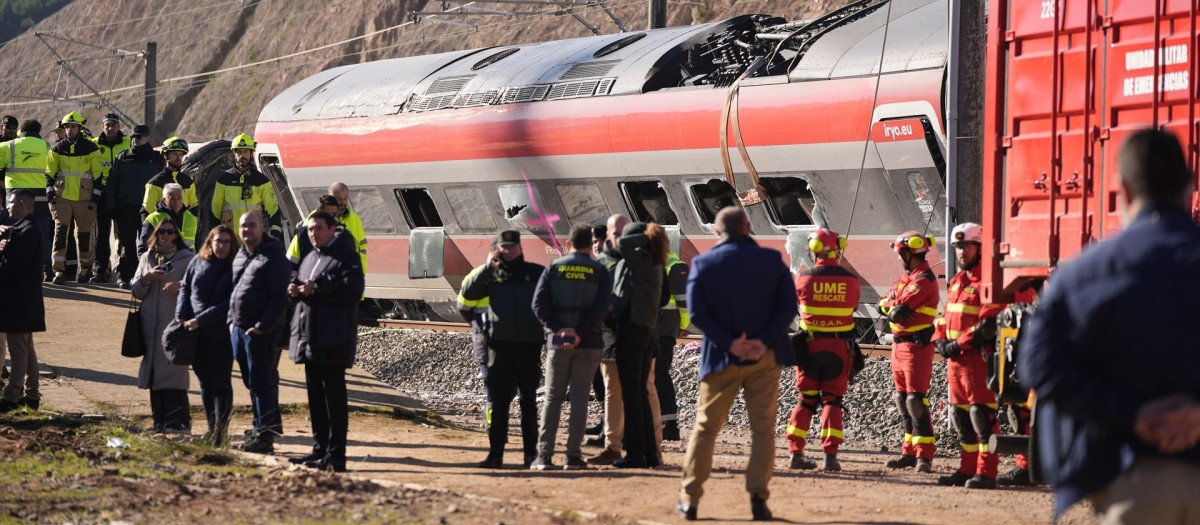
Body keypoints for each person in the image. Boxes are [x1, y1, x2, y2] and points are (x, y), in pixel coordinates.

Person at [1021, 129, 1200, 523]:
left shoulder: (1082, 274)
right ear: (1189, 186)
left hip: (1132, 481)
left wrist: (1134, 414)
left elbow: (1039, 367)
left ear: (1123, 189)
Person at [677, 207, 796, 521]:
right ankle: (758, 499)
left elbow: (698, 314)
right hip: (765, 357)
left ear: (717, 232)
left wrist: (731, 343)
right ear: (748, 227)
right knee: (763, 430)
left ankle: (690, 500)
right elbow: (788, 308)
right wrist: (761, 341)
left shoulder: (703, 264)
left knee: (706, 429)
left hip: (721, 357)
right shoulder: (771, 261)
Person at [458, 230, 546, 468]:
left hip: (529, 346)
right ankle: (495, 455)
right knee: (499, 403)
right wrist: (488, 268)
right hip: (498, 347)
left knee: (528, 402)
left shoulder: (535, 273)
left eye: (512, 247)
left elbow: (550, 303)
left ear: (520, 247)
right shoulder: (490, 275)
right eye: (503, 247)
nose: (508, 251)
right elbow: (468, 296)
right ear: (497, 250)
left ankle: (531, 454)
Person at [287, 211, 364, 473]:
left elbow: (353, 292)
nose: (313, 233)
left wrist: (316, 288)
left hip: (333, 339)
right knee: (316, 400)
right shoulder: (310, 257)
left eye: (319, 228)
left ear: (332, 229)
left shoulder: (346, 256)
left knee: (334, 400)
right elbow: (306, 289)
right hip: (310, 338)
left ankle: (336, 456)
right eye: (310, 229)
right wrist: (295, 290)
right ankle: (320, 450)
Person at [530, 224, 612, 470]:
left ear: (568, 243)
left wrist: (559, 330)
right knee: (579, 399)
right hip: (589, 343)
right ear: (590, 244)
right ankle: (573, 457)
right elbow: (602, 308)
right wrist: (580, 332)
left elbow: (538, 305)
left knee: (552, 398)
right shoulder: (599, 270)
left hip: (557, 343)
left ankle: (544, 456)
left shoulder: (554, 268)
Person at [932, 222, 1004, 489]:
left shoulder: (988, 281)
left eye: (968, 246)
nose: (962, 251)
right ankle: (967, 469)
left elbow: (987, 325)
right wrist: (940, 339)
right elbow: (945, 317)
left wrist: (957, 344)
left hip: (977, 360)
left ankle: (986, 472)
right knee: (962, 418)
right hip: (956, 362)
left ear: (980, 247)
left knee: (981, 417)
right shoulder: (958, 281)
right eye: (958, 247)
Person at [786, 228, 860, 472]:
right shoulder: (851, 280)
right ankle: (830, 456)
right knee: (832, 401)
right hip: (840, 349)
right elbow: (853, 306)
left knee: (805, 400)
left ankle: (796, 452)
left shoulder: (803, 279)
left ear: (813, 250)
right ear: (838, 249)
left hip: (809, 348)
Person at [228, 211, 291, 453]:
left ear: (261, 228)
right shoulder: (240, 254)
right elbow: (234, 290)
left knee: (261, 382)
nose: (247, 230)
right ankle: (263, 424)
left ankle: (264, 437)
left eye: (252, 225)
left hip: (262, 333)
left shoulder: (274, 257)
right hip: (239, 330)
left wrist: (263, 327)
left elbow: (280, 298)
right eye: (244, 226)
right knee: (252, 381)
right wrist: (231, 322)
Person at [877, 230, 940, 472]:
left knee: (916, 401)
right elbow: (885, 304)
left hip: (916, 348)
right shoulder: (908, 278)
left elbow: (897, 311)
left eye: (901, 253)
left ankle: (924, 455)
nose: (899, 258)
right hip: (899, 346)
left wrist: (890, 305)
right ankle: (909, 452)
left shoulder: (923, 280)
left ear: (909, 253)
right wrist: (890, 305)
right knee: (903, 400)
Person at [611, 221, 669, 468]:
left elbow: (623, 244)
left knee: (632, 394)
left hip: (633, 331)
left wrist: (644, 237)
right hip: (643, 330)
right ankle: (649, 453)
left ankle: (636, 453)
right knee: (639, 393)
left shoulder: (644, 259)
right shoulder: (649, 261)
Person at [177, 225, 239, 445]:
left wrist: (200, 320)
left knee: (221, 382)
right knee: (204, 382)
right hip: (196, 334)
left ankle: (221, 432)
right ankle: (212, 429)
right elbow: (185, 287)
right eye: (218, 241)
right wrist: (181, 316)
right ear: (210, 242)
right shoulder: (198, 261)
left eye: (226, 242)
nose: (222, 246)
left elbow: (230, 303)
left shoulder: (236, 266)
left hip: (221, 334)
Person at [131, 218, 195, 433]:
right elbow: (136, 290)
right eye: (161, 232)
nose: (165, 236)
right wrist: (147, 278)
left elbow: (198, 286)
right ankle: (159, 423)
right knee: (154, 376)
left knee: (174, 374)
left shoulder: (187, 258)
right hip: (150, 327)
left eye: (169, 232)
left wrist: (181, 286)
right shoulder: (147, 257)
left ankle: (179, 423)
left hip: (175, 327)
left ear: (176, 235)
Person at [0, 190, 46, 412]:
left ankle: (12, 396)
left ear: (21, 204)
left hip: (18, 300)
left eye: (10, 203)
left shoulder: (27, 231)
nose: (7, 208)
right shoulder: (27, 228)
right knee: (27, 348)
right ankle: (32, 395)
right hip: (26, 299)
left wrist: (2, 252)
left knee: (18, 349)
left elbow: (14, 267)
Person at [46, 111, 103, 284]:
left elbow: (98, 175)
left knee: (84, 236)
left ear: (80, 128)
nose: (69, 130)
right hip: (61, 197)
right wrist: (50, 195)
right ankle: (59, 271)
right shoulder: (57, 148)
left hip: (84, 199)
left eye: (72, 127)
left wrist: (95, 199)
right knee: (60, 234)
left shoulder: (91, 148)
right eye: (66, 127)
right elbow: (49, 174)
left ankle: (85, 269)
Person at [106, 124, 165, 288]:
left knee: (149, 243)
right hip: (126, 208)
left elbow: (164, 183)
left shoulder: (157, 159)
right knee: (126, 244)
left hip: (149, 209)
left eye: (138, 137)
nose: (134, 140)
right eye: (133, 137)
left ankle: (147, 276)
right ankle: (126, 276)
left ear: (147, 138)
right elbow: (112, 182)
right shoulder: (123, 157)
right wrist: (112, 206)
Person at [0, 120, 53, 281]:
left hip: (15, 199)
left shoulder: (9, 146)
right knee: (42, 234)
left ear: (21, 130)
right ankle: (46, 269)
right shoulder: (47, 147)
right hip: (41, 198)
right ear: (38, 131)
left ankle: (12, 268)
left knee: (12, 233)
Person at [457, 239, 498, 428]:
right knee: (492, 382)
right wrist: (478, 325)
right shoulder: (477, 276)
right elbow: (463, 307)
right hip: (487, 340)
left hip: (513, 340)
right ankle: (493, 420)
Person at [211, 134, 282, 239]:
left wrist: (275, 236)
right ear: (234, 153)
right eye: (239, 152)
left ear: (251, 153)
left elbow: (273, 210)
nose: (242, 155)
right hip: (231, 240)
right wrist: (217, 236)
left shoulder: (261, 181)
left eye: (245, 152)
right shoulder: (224, 180)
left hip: (255, 239)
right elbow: (215, 211)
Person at [91, 113, 131, 283]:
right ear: (102, 127)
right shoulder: (94, 144)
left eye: (113, 125)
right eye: (107, 125)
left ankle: (122, 272)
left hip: (121, 194)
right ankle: (100, 270)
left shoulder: (128, 142)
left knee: (123, 234)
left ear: (118, 127)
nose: (110, 128)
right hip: (102, 194)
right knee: (101, 235)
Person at [657, 249, 689, 441]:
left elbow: (684, 302)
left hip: (664, 327)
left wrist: (683, 325)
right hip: (659, 327)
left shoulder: (675, 266)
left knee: (659, 373)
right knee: (655, 375)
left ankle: (669, 425)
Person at [142, 137, 197, 219]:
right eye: (174, 153)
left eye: (181, 154)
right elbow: (146, 212)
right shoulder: (154, 183)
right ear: (166, 156)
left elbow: (194, 207)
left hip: (183, 226)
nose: (178, 157)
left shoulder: (188, 182)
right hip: (162, 226)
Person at [139, 183, 197, 257]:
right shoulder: (153, 219)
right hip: (161, 262)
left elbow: (198, 246)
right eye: (172, 199)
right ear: (164, 200)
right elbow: (142, 250)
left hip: (187, 262)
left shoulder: (191, 218)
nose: (176, 202)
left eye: (179, 198)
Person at [286, 195, 342, 268]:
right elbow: (290, 264)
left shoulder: (342, 235)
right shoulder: (303, 235)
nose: (331, 218)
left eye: (334, 214)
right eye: (328, 214)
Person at [328, 182, 368, 273]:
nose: (343, 202)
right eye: (339, 199)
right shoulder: (316, 219)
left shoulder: (355, 219)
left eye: (345, 198)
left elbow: (362, 247)